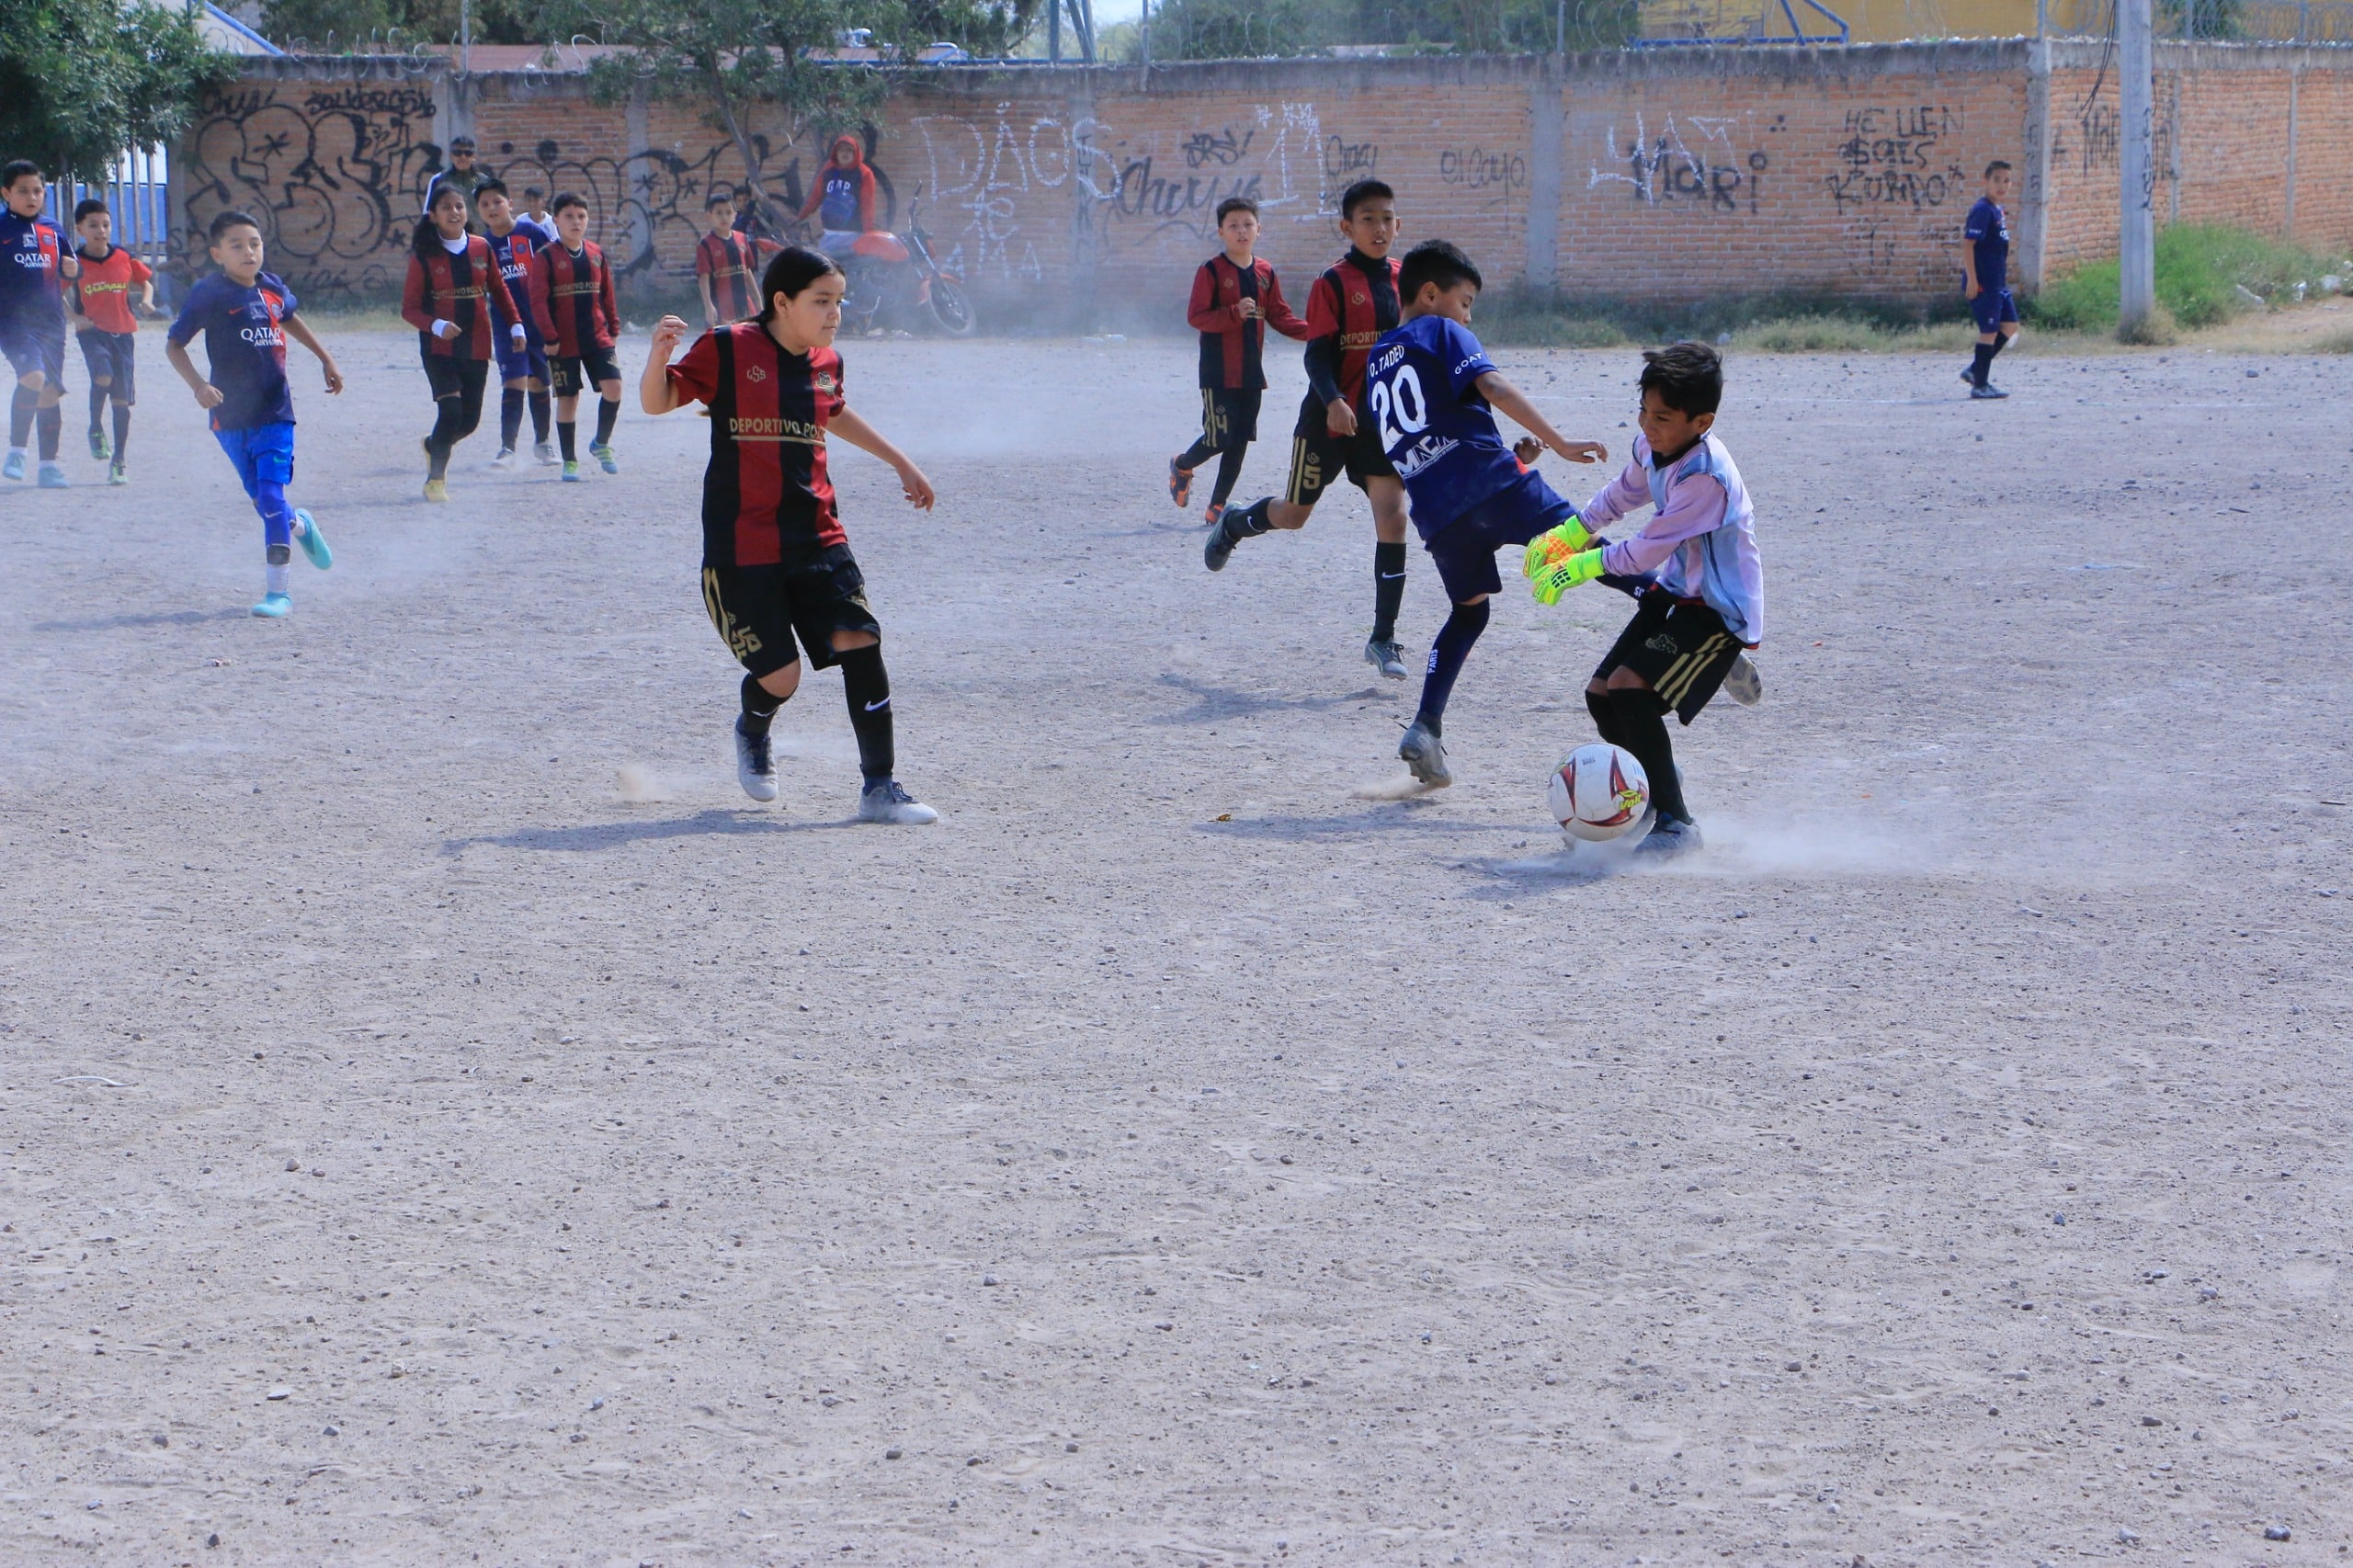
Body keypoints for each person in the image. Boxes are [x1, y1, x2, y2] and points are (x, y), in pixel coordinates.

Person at [637, 246, 941, 825]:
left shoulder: (827, 360)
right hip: (742, 546)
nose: (834, 313)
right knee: (782, 677)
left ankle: (880, 787)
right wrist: (657, 357)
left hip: (818, 535)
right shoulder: (728, 347)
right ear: (782, 302)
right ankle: (753, 726)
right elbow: (660, 401)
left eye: (839, 302)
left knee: (860, 641)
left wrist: (899, 461)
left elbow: (833, 411)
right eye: (821, 301)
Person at [1360, 242, 1608, 790]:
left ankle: (1425, 726)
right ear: (1429, 294)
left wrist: (1509, 455)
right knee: (1589, 545)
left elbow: (1424, 439)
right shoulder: (1441, 331)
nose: (1468, 316)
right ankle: (1677, 611)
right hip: (1491, 485)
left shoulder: (1375, 367)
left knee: (1469, 615)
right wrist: (1558, 442)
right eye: (1465, 302)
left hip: (1440, 514)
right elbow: (1491, 387)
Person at [1522, 341, 1763, 858]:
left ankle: (1678, 825)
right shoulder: (1651, 446)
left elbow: (1645, 549)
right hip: (1680, 591)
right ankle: (1647, 796)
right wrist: (1571, 531)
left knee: (1630, 689)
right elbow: (1624, 492)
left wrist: (1578, 566)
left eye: (1663, 417)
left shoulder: (1705, 477)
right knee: (1601, 694)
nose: (1648, 425)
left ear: (1701, 421)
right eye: (1643, 411)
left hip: (1719, 611)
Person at [1203, 177, 1416, 681]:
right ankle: (1235, 522)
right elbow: (1317, 354)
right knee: (1294, 515)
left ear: (1398, 224)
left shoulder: (1406, 280)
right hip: (1327, 421)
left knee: (1394, 516)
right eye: (1368, 220)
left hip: (1379, 427)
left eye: (1387, 218)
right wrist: (1335, 400)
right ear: (1348, 226)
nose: (1379, 228)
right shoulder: (1334, 282)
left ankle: (1384, 638)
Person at [164, 209, 342, 618]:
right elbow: (174, 345)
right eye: (237, 245)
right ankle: (300, 525)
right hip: (229, 417)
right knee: (266, 503)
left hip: (276, 412)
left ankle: (279, 593)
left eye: (255, 244)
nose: (249, 252)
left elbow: (291, 319)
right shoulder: (209, 294)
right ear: (217, 253)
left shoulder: (273, 288)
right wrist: (198, 386)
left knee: (269, 495)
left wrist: (325, 358)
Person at [1168, 196, 1308, 529]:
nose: (1241, 231)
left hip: (1250, 373)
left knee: (1240, 440)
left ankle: (1217, 506)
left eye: (1248, 224)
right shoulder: (1211, 271)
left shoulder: (1265, 272)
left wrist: (1317, 331)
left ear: (1259, 229)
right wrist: (1233, 314)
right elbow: (1196, 316)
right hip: (1218, 373)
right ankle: (1183, 465)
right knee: (1219, 438)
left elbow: (1280, 316)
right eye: (1234, 226)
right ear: (1221, 232)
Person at [402, 184, 527, 500]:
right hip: (438, 345)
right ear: (433, 215)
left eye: (459, 206)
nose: (454, 212)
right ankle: (436, 481)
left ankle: (434, 445)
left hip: (476, 341)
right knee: (451, 410)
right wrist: (436, 324)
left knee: (469, 420)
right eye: (446, 207)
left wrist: (515, 325)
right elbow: (409, 309)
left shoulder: (481, 247)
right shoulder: (424, 256)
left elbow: (499, 290)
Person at [529, 192, 622, 481]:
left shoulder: (596, 253)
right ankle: (570, 460)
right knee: (568, 399)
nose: (576, 222)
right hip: (562, 342)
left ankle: (601, 443)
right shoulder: (545, 257)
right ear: (555, 220)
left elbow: (607, 294)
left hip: (596, 337)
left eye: (581, 216)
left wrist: (614, 328)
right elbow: (537, 301)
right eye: (569, 216)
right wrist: (550, 335)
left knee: (615, 387)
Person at [1, 160, 78, 488]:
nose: (32, 197)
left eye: (37, 190)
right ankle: (17, 451)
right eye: (23, 191)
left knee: (49, 392)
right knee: (33, 376)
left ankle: (49, 467)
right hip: (12, 320)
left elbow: (70, 268)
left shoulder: (53, 229)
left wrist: (74, 271)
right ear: (6, 193)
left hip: (51, 322)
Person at [65, 197, 153, 485]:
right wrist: (74, 318)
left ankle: (119, 460)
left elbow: (145, 281)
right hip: (93, 332)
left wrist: (147, 302)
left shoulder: (123, 257)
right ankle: (94, 427)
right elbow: (54, 291)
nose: (100, 230)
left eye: (105, 224)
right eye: (93, 225)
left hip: (123, 334)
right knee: (102, 375)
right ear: (80, 229)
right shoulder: (75, 262)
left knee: (120, 401)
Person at [475, 178, 555, 467]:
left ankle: (543, 443)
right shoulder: (483, 245)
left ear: (510, 204)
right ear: (479, 212)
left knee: (539, 382)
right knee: (514, 380)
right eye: (485, 204)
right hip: (506, 323)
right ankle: (507, 449)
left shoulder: (532, 233)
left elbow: (553, 266)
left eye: (497, 201)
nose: (492, 208)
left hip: (539, 321)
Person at [1961, 160, 2018, 400]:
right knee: (1989, 331)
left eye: (2006, 180)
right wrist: (1972, 280)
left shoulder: (1997, 209)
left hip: (1998, 284)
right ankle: (1980, 385)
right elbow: (1968, 245)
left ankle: (1975, 370)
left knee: (2010, 326)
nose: (2002, 185)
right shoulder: (1983, 210)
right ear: (1985, 181)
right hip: (1984, 283)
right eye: (1997, 180)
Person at [696, 188, 779, 326]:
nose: (724, 217)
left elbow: (747, 271)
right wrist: (709, 306)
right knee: (724, 343)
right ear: (710, 216)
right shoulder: (705, 244)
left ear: (735, 216)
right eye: (719, 213)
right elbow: (703, 278)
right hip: (721, 307)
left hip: (745, 304)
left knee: (749, 339)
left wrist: (758, 301)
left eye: (728, 213)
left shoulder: (741, 239)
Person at [422, 136, 490, 232]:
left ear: (474, 156)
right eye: (457, 153)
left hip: (479, 236)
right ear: (451, 156)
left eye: (468, 153)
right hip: (447, 238)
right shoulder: (439, 179)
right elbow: (428, 213)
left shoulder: (484, 181)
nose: (463, 157)